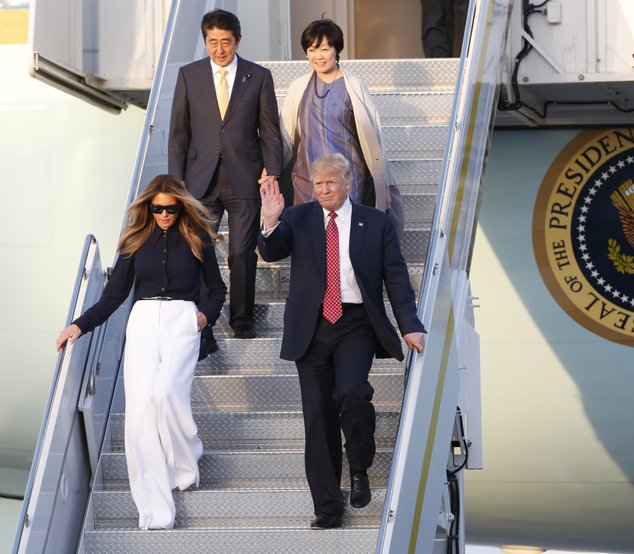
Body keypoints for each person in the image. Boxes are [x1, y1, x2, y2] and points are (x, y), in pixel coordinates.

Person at [258, 154, 426, 529]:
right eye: (317, 185)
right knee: (317, 418)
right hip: (311, 327)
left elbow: (396, 278)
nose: (323, 190)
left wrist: (410, 325)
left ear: (347, 183)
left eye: (330, 183)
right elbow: (271, 252)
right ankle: (328, 507)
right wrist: (270, 220)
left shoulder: (376, 223)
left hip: (355, 324)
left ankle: (360, 465)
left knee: (351, 393)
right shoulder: (298, 218)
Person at [56, 175, 226, 530]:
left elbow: (217, 289)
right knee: (138, 417)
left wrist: (204, 317)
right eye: (158, 208)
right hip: (143, 321)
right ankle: (155, 512)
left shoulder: (197, 238)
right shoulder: (135, 242)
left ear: (181, 206)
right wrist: (79, 325)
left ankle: (186, 457)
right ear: (148, 207)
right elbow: (113, 295)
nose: (164, 214)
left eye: (171, 208)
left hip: (183, 319)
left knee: (165, 395)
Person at [169, 9, 283, 356]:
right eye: (212, 42)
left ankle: (242, 319)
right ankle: (201, 327)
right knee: (195, 252)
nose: (219, 49)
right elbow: (178, 135)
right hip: (198, 181)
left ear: (238, 40)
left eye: (226, 42)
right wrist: (176, 185)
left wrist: (272, 169)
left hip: (244, 178)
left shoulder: (258, 76)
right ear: (205, 41)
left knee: (241, 254)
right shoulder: (189, 75)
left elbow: (270, 130)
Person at [265, 19, 403, 235]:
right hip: (307, 180)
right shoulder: (298, 87)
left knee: (347, 241)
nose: (318, 56)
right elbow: (284, 136)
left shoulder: (354, 85)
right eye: (311, 50)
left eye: (324, 49)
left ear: (337, 50)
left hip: (348, 180)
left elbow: (375, 136)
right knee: (311, 242)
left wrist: (383, 183)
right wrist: (271, 169)